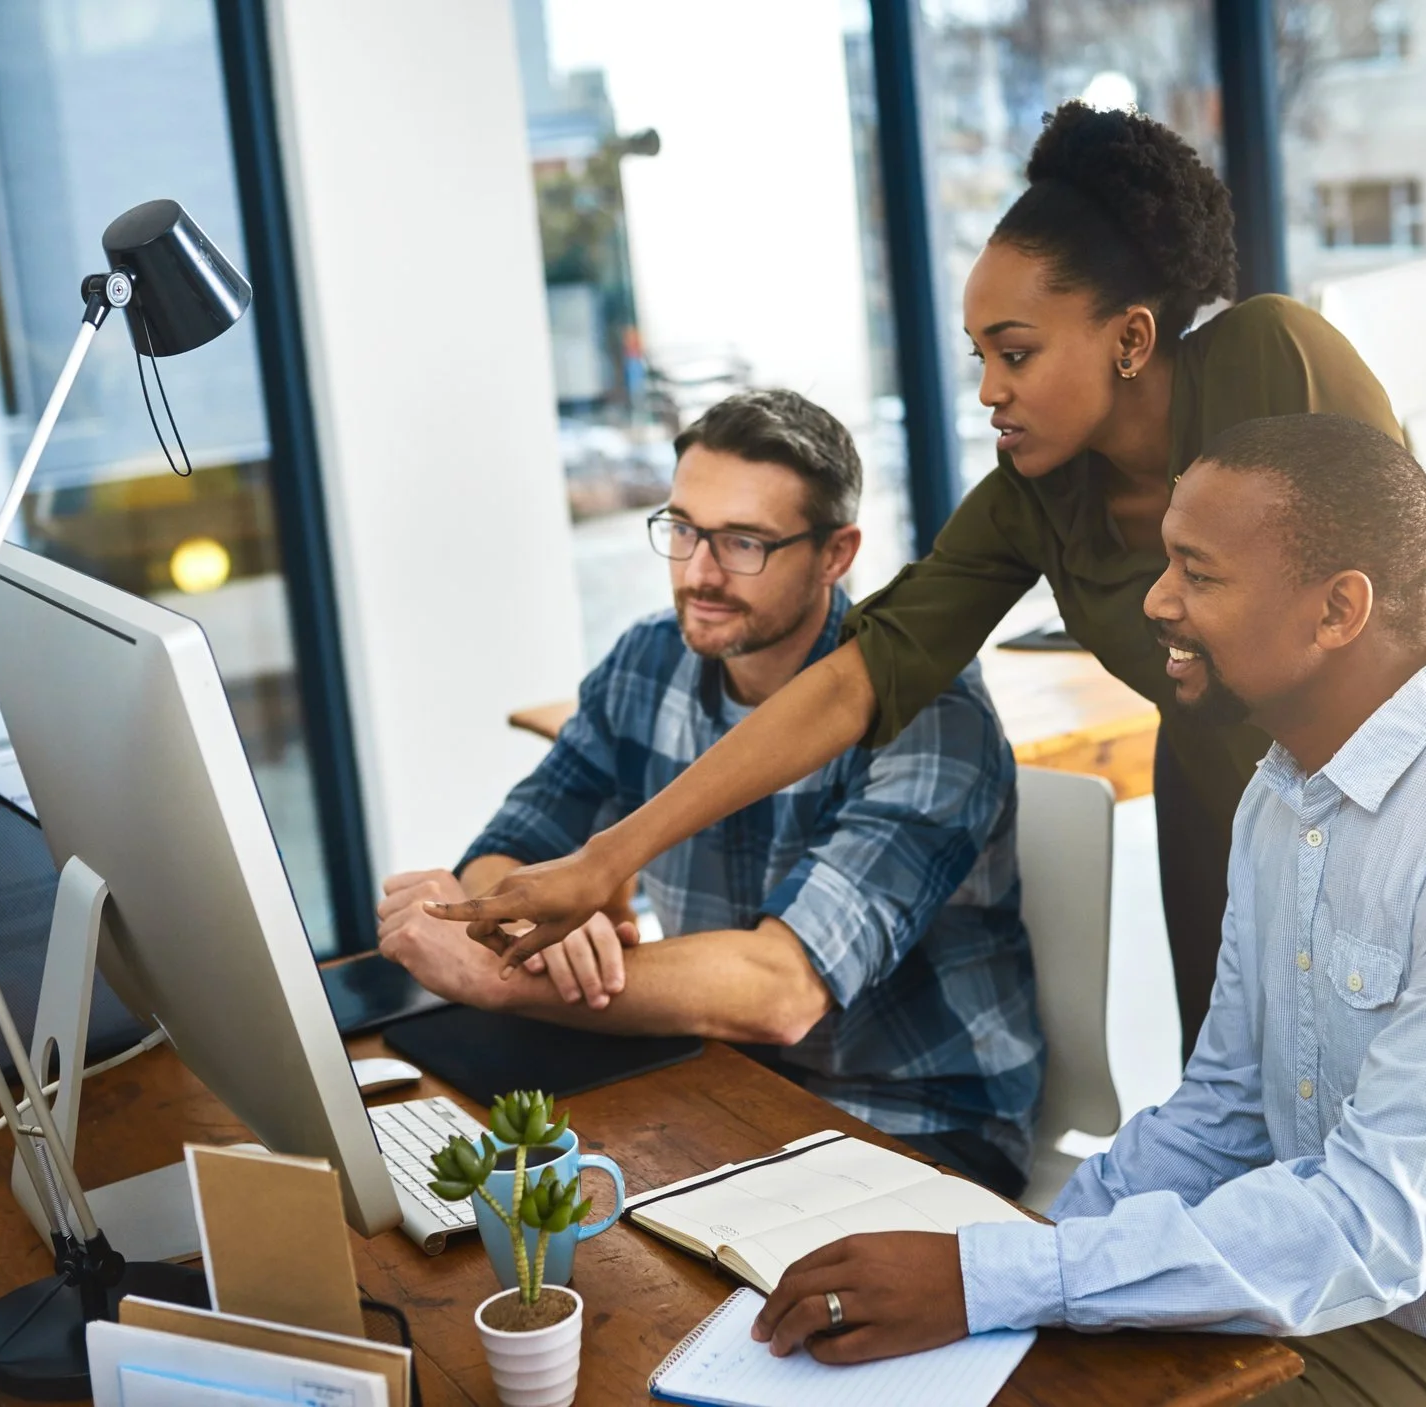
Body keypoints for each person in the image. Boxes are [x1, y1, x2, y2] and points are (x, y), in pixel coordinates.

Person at [432, 101, 1426, 1057]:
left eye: (1014, 351)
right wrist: (604, 856)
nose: (990, 389)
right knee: (1251, 1128)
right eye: (977, 358)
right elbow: (853, 682)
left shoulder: (1268, 364)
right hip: (1231, 815)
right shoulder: (1031, 500)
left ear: (1130, 337)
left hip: (1410, 805)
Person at [747, 414, 1426, 1407]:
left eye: (1198, 575)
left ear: (1338, 609)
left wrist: (994, 1282)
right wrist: (1023, 1254)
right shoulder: (1285, 789)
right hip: (1352, 1303)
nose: (1157, 602)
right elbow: (1226, 1112)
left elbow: (1373, 1223)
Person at [377, 390, 1043, 1197]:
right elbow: (510, 843)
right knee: (469, 1209)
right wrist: (522, 922)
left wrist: (501, 976)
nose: (698, 572)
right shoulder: (649, 660)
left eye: (744, 543)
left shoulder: (929, 712)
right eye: (684, 529)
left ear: (837, 555)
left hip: (911, 1122)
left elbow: (780, 990)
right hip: (707, 1076)